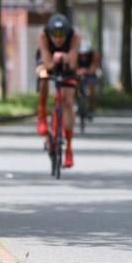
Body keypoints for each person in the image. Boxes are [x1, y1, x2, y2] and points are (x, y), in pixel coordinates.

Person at [35, 13, 80, 167]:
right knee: (43, 77)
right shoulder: (43, 37)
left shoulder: (75, 37)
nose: (59, 38)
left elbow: (73, 63)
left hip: (67, 64)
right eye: (55, 35)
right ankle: (41, 114)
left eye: (62, 35)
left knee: (68, 101)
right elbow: (47, 63)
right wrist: (53, 60)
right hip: (48, 61)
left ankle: (68, 149)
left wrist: (65, 58)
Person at [76, 40, 101, 115]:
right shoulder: (76, 55)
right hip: (79, 74)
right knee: (74, 86)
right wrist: (78, 71)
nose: (83, 56)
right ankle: (77, 103)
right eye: (82, 54)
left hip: (90, 74)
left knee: (91, 87)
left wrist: (86, 71)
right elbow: (74, 66)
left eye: (85, 54)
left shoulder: (94, 55)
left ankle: (91, 107)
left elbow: (94, 67)